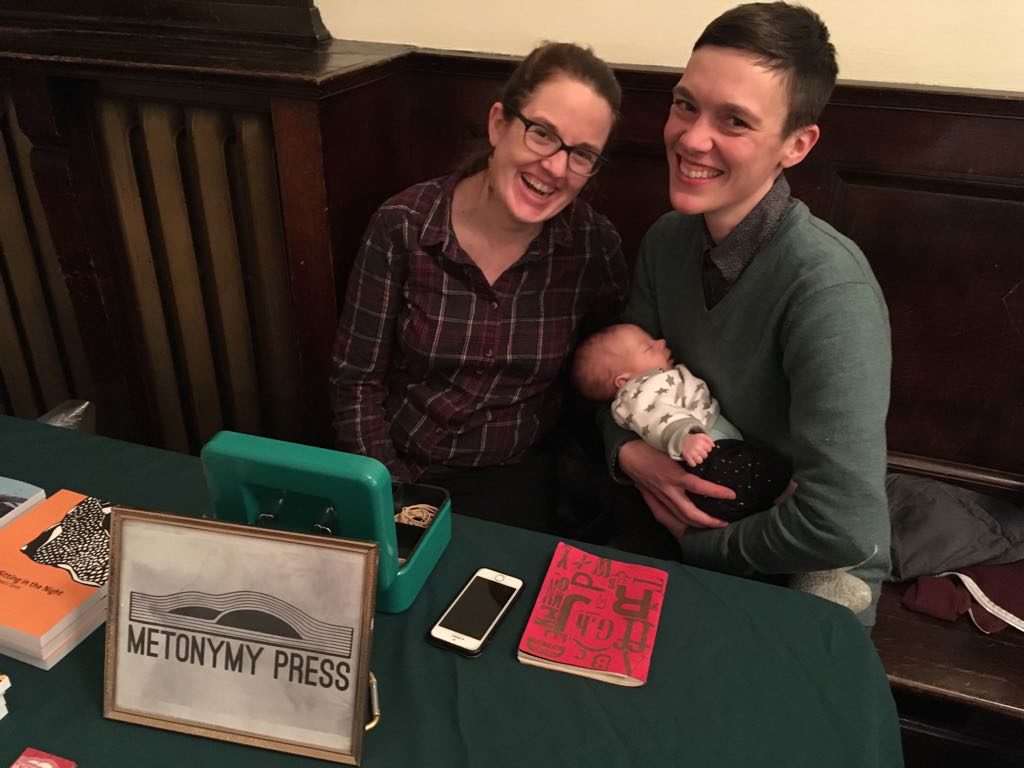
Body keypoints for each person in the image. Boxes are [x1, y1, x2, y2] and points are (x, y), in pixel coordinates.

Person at [599, 2, 891, 623]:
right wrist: (627, 455)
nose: (692, 138)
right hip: (682, 510)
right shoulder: (667, 241)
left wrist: (703, 546)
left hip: (791, 562)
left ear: (797, 144)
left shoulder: (829, 288)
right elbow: (619, 380)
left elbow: (841, 526)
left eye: (734, 121)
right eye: (685, 104)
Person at [331, 42, 628, 532]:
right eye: (542, 134)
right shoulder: (404, 225)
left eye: (582, 155)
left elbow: (602, 374)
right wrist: (393, 495)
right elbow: (355, 381)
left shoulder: (593, 248)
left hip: (519, 482)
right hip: (397, 469)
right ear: (498, 124)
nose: (555, 167)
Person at [576, 322, 870, 611]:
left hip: (713, 457)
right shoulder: (641, 390)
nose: (662, 343)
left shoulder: (653, 380)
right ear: (622, 381)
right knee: (775, 478)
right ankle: (806, 536)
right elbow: (658, 418)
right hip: (706, 459)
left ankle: (808, 571)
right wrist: (684, 436)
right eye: (648, 346)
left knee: (762, 501)